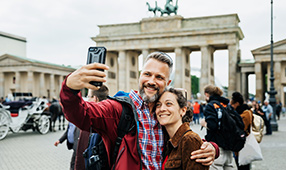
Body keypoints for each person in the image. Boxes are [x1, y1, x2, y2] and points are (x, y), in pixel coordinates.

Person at [60, 52, 218, 170]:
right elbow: (82, 114)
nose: (151, 81)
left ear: (168, 82)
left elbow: (182, 139)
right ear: (140, 75)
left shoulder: (164, 113)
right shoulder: (118, 109)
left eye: (159, 77)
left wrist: (212, 148)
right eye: (147, 74)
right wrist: (70, 89)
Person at [155, 87, 209, 170]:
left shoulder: (189, 140)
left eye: (168, 104)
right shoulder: (167, 140)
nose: (162, 109)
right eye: (158, 105)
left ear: (183, 110)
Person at [200, 85, 236, 170]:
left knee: (216, 166)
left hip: (217, 145)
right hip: (229, 145)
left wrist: (204, 124)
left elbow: (213, 126)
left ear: (207, 94)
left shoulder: (211, 106)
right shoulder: (226, 105)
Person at [74, 85, 109, 170]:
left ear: (95, 98)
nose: (87, 99)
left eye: (88, 96)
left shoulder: (88, 121)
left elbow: (80, 155)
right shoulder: (112, 119)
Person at [232, 93, 253, 170]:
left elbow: (242, 127)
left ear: (237, 103)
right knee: (240, 165)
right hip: (237, 144)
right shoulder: (237, 112)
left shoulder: (246, 113)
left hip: (244, 143)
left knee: (244, 166)